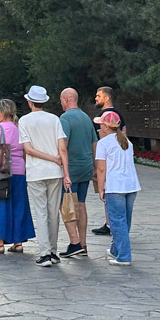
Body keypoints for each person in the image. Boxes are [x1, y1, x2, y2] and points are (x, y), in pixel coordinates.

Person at [18, 85, 70, 267]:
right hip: (55, 172)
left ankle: (45, 253)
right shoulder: (54, 119)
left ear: (30, 102)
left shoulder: (24, 121)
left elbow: (28, 150)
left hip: (36, 172)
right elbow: (62, 148)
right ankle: (53, 251)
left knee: (40, 212)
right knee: (53, 213)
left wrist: (51, 159)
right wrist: (65, 171)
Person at [0, 99, 35, 254]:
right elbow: (25, 151)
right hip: (19, 171)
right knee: (18, 205)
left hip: (1, 172)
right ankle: (18, 242)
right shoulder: (20, 128)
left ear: (4, 112)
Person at [94, 111, 140, 265]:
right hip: (131, 185)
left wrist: (101, 189)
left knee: (116, 221)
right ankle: (116, 250)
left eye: (101, 123)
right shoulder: (126, 141)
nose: (99, 126)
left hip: (115, 187)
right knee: (125, 220)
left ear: (106, 126)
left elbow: (101, 169)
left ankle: (124, 256)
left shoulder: (103, 143)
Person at [58, 88, 99, 257]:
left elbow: (63, 146)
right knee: (81, 204)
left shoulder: (65, 119)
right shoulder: (86, 118)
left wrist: (64, 171)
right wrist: (95, 167)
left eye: (61, 99)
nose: (61, 103)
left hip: (72, 167)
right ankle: (83, 243)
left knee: (66, 204)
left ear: (66, 99)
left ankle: (74, 243)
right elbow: (94, 144)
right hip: (86, 167)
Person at [93, 86, 127, 236]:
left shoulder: (105, 117)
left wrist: (98, 165)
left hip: (109, 162)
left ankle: (110, 224)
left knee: (108, 193)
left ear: (107, 98)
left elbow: (104, 141)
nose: (96, 98)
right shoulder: (119, 115)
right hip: (121, 162)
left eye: (98, 96)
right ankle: (113, 223)